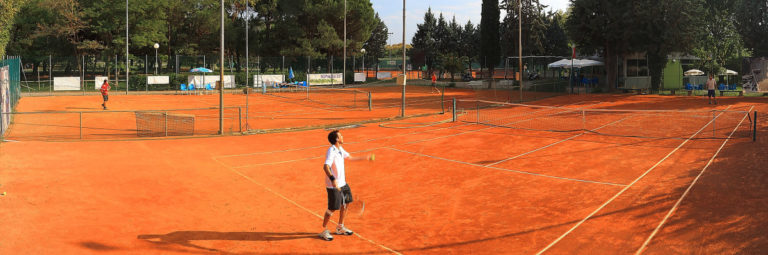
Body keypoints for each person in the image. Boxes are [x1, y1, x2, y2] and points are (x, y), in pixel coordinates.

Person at [319, 130, 373, 241]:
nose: (343, 137)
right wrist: (333, 179)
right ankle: (324, 230)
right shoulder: (331, 150)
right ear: (337, 139)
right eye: (341, 136)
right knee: (332, 208)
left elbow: (350, 158)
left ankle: (340, 227)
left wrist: (365, 158)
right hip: (333, 185)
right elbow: (325, 166)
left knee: (346, 203)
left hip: (343, 183)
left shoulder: (340, 149)